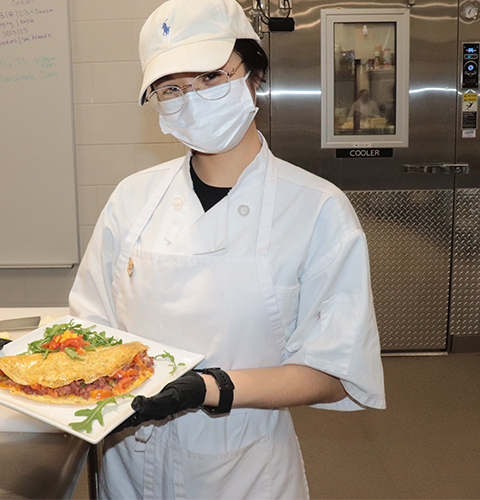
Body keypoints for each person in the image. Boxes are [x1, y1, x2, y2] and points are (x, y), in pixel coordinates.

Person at [68, 0, 386, 498]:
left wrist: (211, 387)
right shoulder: (132, 198)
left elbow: (335, 373)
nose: (191, 99)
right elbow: (93, 330)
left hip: (243, 469)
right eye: (171, 88)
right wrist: (36, 369)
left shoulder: (317, 209)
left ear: (253, 73)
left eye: (212, 77)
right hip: (129, 456)